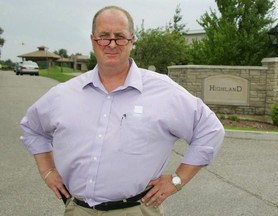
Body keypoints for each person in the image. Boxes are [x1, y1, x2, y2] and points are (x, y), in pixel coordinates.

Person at [20, 5, 225, 216]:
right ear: (92, 41)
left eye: (120, 36)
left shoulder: (164, 91)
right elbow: (32, 128)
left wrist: (177, 180)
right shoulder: (64, 94)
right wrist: (48, 171)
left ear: (132, 41)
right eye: (103, 36)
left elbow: (210, 130)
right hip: (78, 210)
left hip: (135, 210)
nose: (111, 43)